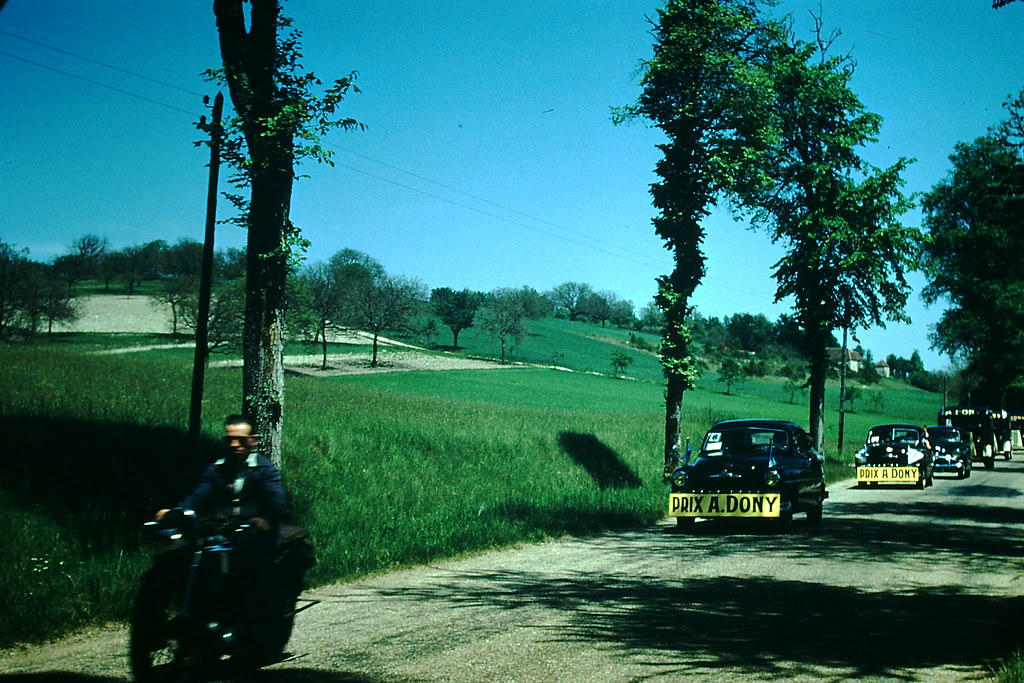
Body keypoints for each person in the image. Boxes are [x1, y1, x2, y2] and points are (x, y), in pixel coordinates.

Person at [156, 414, 287, 652]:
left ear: (253, 440)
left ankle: (259, 628)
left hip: (254, 534)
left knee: (256, 570)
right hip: (221, 531)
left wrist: (265, 519)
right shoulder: (216, 470)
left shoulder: (265, 471)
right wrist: (176, 512)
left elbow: (276, 500)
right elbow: (198, 496)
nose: (234, 445)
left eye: (240, 440)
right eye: (229, 440)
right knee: (189, 559)